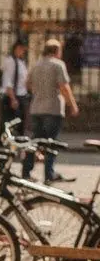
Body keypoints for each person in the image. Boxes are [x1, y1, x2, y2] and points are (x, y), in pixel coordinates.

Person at [22, 37, 79, 185]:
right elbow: (64, 87)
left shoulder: (36, 64)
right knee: (51, 143)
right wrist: (72, 105)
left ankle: (26, 172)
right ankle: (49, 173)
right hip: (53, 109)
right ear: (57, 51)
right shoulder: (58, 65)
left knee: (35, 141)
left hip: (36, 108)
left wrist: (39, 92)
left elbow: (27, 84)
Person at [0, 38, 29, 141]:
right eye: (22, 49)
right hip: (12, 96)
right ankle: (2, 143)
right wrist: (13, 98)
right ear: (17, 48)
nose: (23, 52)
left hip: (21, 95)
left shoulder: (21, 62)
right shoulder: (10, 61)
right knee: (9, 123)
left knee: (19, 123)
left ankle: (16, 142)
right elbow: (8, 81)